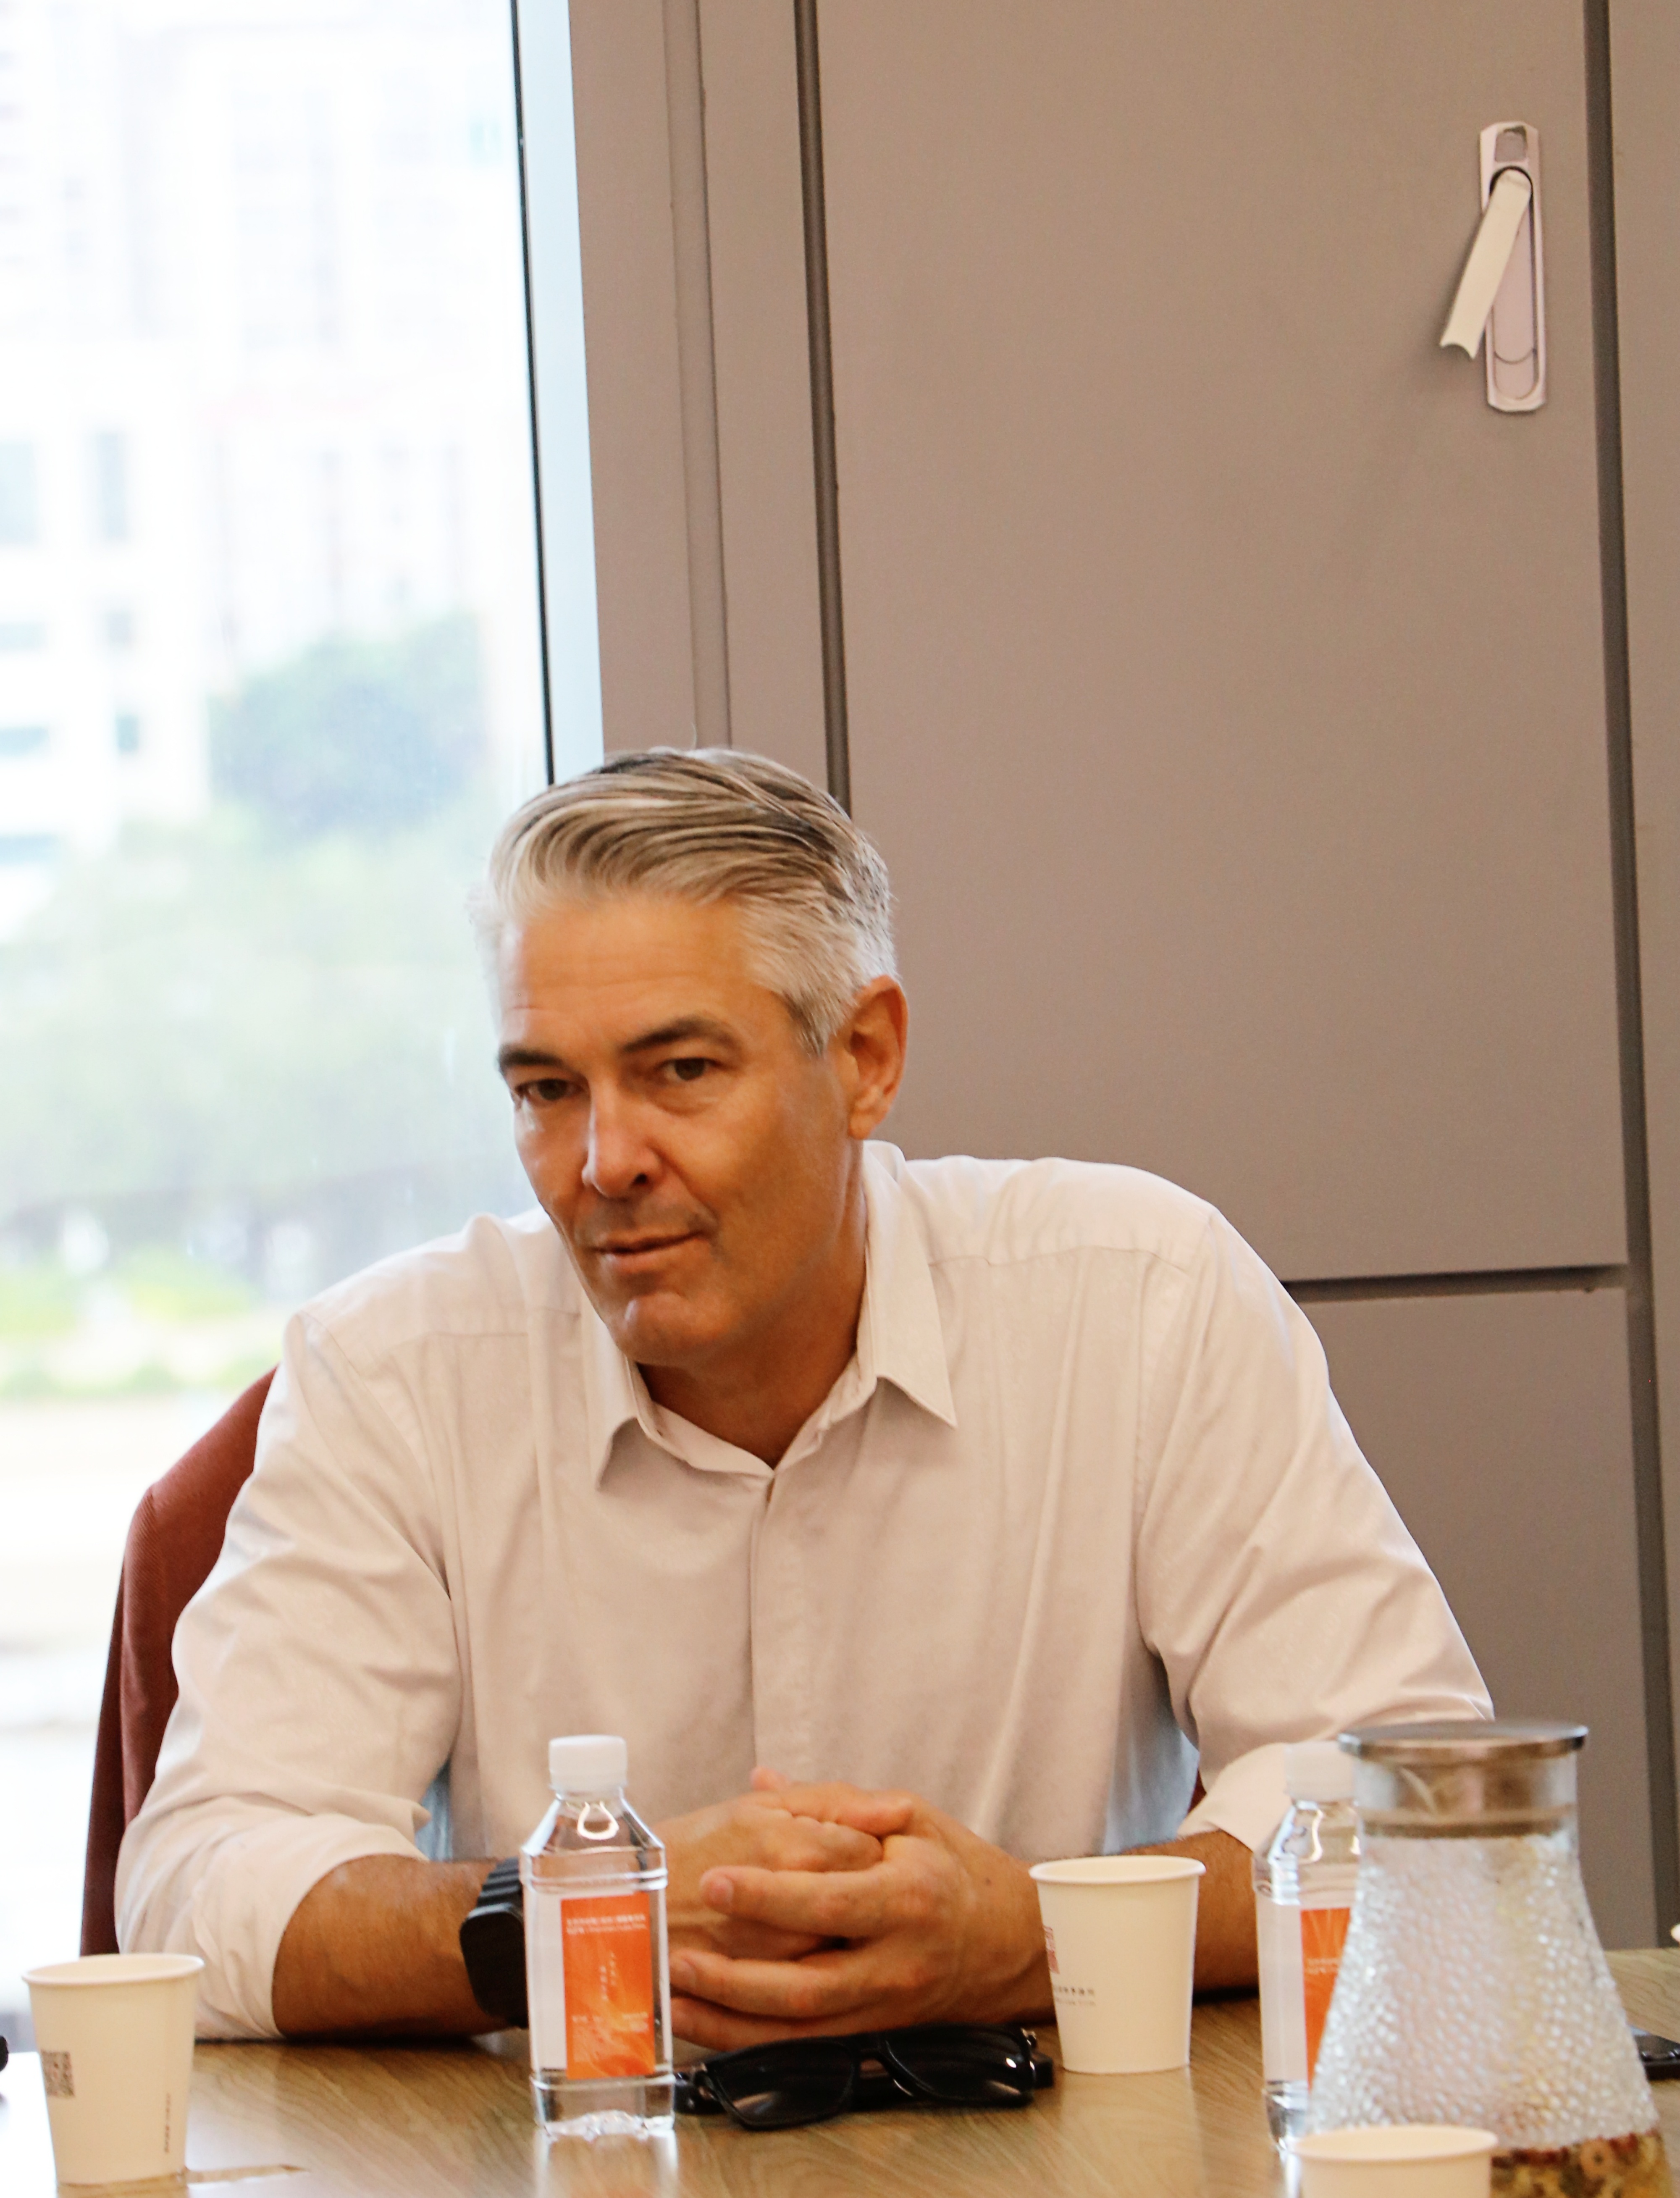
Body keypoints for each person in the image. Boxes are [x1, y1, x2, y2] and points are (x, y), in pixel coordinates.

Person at [118, 749, 1488, 2043]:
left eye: (681, 1071)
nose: (603, 1162)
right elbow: (198, 1886)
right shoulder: (394, 1372)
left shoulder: (1141, 1296)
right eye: (547, 1089)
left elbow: (1422, 1805)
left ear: (866, 1057)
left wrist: (1031, 1935)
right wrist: (579, 1920)